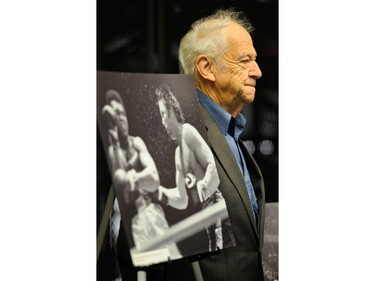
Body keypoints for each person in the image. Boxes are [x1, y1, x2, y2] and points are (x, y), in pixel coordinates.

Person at [178, 8, 266, 281]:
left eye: (255, 60)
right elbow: (146, 255)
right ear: (207, 68)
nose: (258, 72)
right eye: (245, 60)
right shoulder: (179, 134)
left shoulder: (230, 132)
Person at [102, 89, 182, 279]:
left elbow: (153, 180)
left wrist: (131, 177)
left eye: (122, 113)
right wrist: (136, 178)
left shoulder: (136, 142)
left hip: (154, 215)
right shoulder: (114, 151)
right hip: (133, 223)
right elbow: (123, 187)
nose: (121, 119)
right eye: (116, 115)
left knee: (169, 271)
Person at [152, 83, 235, 255]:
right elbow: (182, 199)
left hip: (215, 205)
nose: (162, 122)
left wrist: (203, 186)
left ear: (171, 110)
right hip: (206, 214)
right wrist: (158, 192)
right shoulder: (177, 154)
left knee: (220, 259)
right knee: (214, 255)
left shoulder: (188, 132)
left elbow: (213, 166)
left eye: (163, 114)